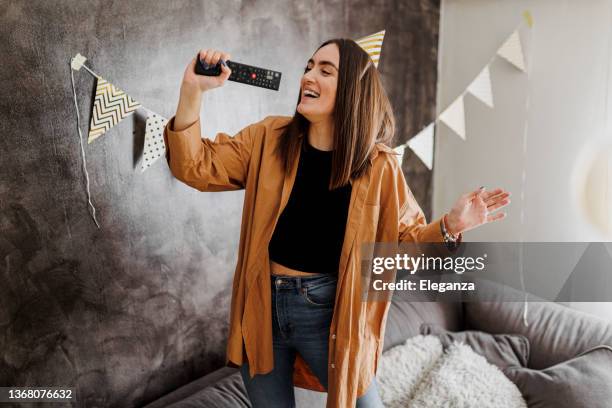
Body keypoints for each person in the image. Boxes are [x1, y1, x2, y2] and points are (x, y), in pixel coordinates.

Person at [163, 39, 511, 408]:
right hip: (261, 306)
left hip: (332, 314)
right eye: (309, 66)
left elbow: (406, 246)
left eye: (325, 70)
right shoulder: (268, 138)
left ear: (351, 91)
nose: (309, 76)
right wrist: (192, 89)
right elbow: (194, 165)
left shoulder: (380, 166)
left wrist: (449, 225)